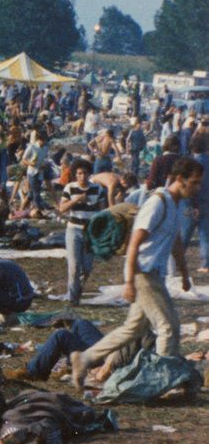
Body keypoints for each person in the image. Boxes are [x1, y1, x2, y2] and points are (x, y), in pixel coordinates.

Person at [73, 158, 204, 385]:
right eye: (194, 182)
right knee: (169, 327)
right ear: (180, 180)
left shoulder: (174, 205)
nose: (197, 188)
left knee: (133, 328)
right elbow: (135, 242)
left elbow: (176, 243)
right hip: (144, 273)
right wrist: (129, 281)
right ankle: (162, 380)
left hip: (154, 274)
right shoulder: (157, 202)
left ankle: (84, 358)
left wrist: (184, 275)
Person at [58, 158, 109, 305]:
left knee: (86, 268)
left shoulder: (97, 189)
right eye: (79, 173)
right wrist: (76, 200)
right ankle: (73, 299)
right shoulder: (70, 188)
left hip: (90, 232)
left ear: (89, 174)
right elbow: (61, 208)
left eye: (85, 173)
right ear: (75, 174)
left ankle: (77, 291)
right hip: (73, 230)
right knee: (74, 266)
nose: (82, 177)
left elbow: (102, 212)